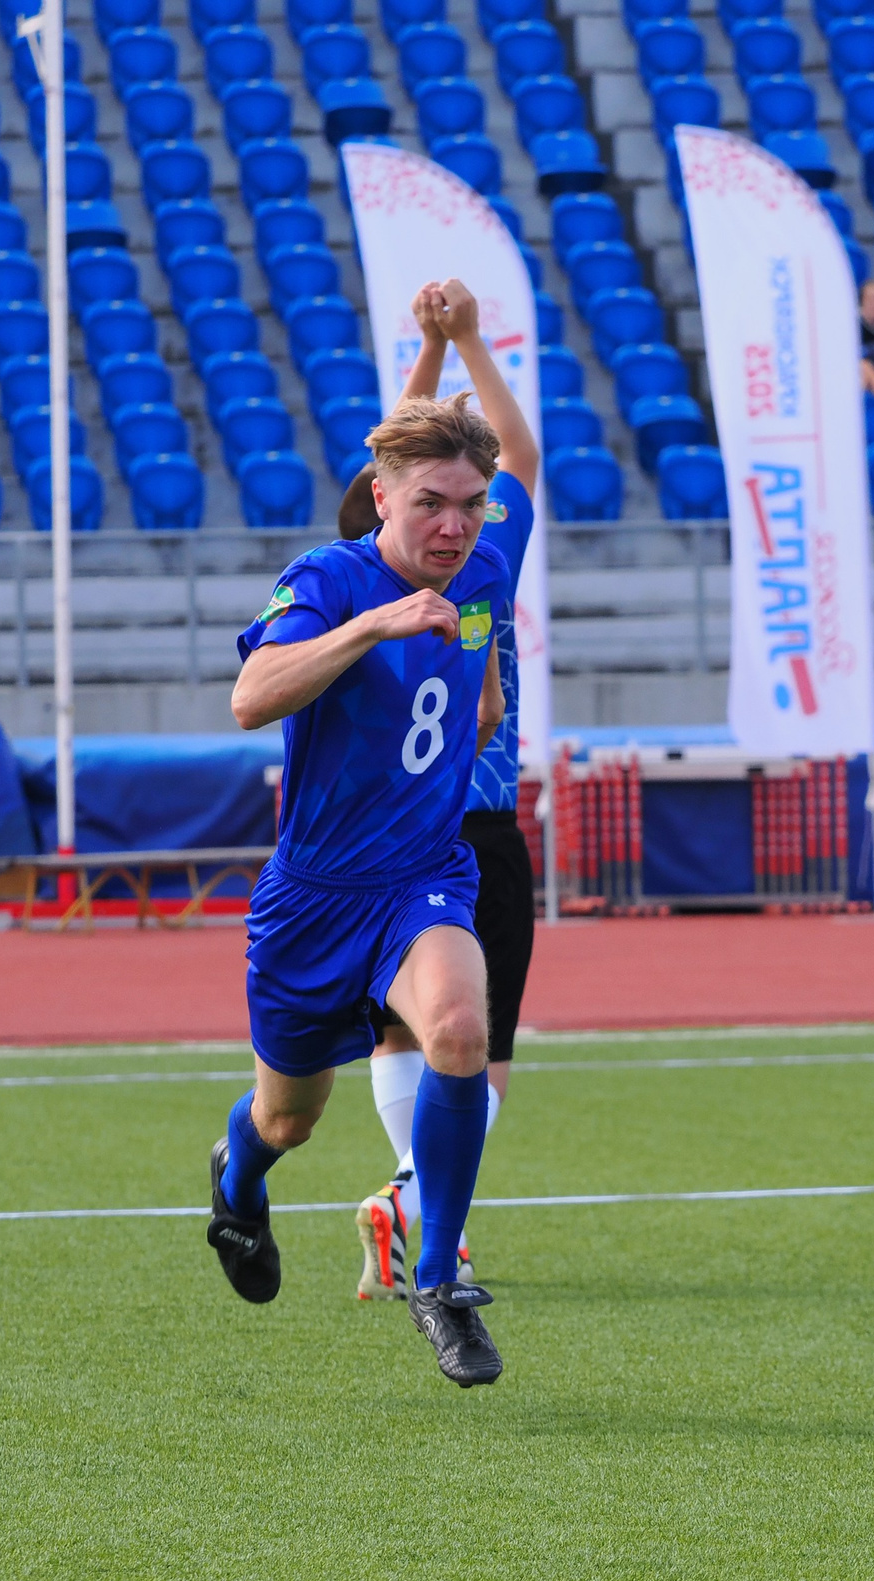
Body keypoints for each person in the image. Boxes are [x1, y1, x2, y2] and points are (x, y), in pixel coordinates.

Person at [212, 332, 514, 1388]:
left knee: (462, 1031)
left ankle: (437, 1279)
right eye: (432, 501)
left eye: (469, 504)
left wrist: (475, 712)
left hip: (420, 880)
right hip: (309, 899)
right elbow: (251, 699)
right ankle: (238, 1183)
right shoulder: (328, 581)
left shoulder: (483, 566)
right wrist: (374, 628)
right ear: (379, 496)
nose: (454, 523)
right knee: (286, 1117)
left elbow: (476, 691)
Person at [344, 279, 540, 1309]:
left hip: (379, 830)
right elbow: (510, 453)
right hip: (477, 823)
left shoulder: (359, 576)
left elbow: (401, 457)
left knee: (397, 1031)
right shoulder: (489, 560)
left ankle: (434, 1225)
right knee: (482, 1045)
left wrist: (425, 353)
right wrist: (465, 343)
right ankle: (419, 1200)